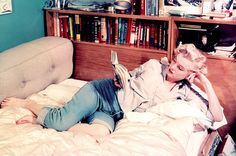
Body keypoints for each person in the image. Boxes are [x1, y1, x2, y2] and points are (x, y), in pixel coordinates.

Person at [0, 44, 223, 138]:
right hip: (101, 93)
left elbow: (217, 117)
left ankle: (42, 118)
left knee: (98, 134)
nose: (173, 67)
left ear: (189, 74)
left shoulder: (184, 91)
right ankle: (29, 104)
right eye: (175, 61)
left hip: (115, 113)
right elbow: (129, 76)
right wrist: (119, 79)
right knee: (60, 124)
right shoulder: (155, 66)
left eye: (181, 68)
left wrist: (206, 83)